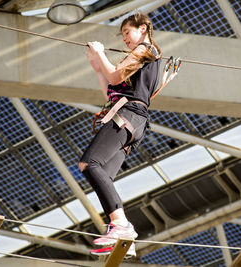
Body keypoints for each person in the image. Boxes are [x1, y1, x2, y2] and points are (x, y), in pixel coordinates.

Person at [78, 12, 162, 257]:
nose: (125, 38)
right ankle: (124, 236)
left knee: (89, 163)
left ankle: (121, 226)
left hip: (128, 115)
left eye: (128, 32)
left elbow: (115, 75)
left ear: (143, 29)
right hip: (134, 121)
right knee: (102, 173)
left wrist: (102, 53)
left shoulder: (145, 49)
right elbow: (112, 92)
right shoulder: (143, 57)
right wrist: (97, 68)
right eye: (123, 34)